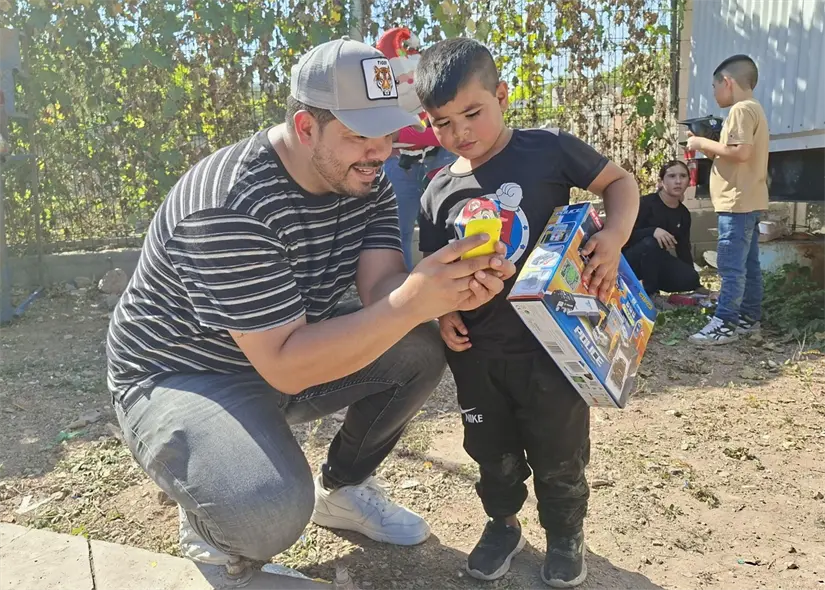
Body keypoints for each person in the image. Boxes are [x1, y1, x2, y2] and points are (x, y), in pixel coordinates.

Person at [106, 36, 517, 583]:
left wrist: (447, 288)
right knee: (267, 511)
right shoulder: (230, 203)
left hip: (278, 349)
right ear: (305, 128)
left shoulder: (364, 178)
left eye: (388, 133)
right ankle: (211, 523)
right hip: (184, 374)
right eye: (359, 135)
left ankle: (344, 489)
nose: (380, 152)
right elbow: (288, 364)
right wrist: (412, 300)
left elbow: (382, 290)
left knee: (420, 342)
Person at [415, 38, 640, 587]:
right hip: (475, 353)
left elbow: (620, 183)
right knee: (489, 449)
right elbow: (428, 262)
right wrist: (440, 314)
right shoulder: (438, 189)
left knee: (558, 449)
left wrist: (612, 237)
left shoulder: (547, 149)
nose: (460, 132)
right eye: (443, 123)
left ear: (502, 95)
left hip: (552, 349)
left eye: (472, 112)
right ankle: (502, 524)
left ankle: (566, 535)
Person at [687, 54, 768, 345]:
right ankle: (748, 318)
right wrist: (709, 147)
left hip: (736, 203)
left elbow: (741, 152)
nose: (713, 92)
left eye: (714, 86)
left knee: (731, 267)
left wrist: (700, 142)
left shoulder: (741, 110)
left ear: (728, 82)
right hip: (749, 199)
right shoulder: (755, 109)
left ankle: (724, 324)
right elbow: (732, 156)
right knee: (749, 265)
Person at [376, 26, 457, 270]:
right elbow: (382, 134)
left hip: (437, 161)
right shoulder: (379, 101)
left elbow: (445, 134)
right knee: (397, 233)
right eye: (399, 80)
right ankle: (402, 291)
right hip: (400, 164)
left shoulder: (437, 95)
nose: (408, 82)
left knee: (446, 225)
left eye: (411, 76)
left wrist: (403, 133)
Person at [623, 160, 701, 295]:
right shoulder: (645, 203)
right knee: (651, 243)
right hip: (627, 262)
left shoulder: (683, 214)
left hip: (656, 261)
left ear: (689, 180)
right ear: (661, 181)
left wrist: (695, 284)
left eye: (683, 176)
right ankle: (651, 294)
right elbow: (624, 235)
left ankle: (654, 285)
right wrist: (652, 231)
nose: (678, 181)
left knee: (690, 278)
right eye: (672, 176)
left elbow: (683, 247)